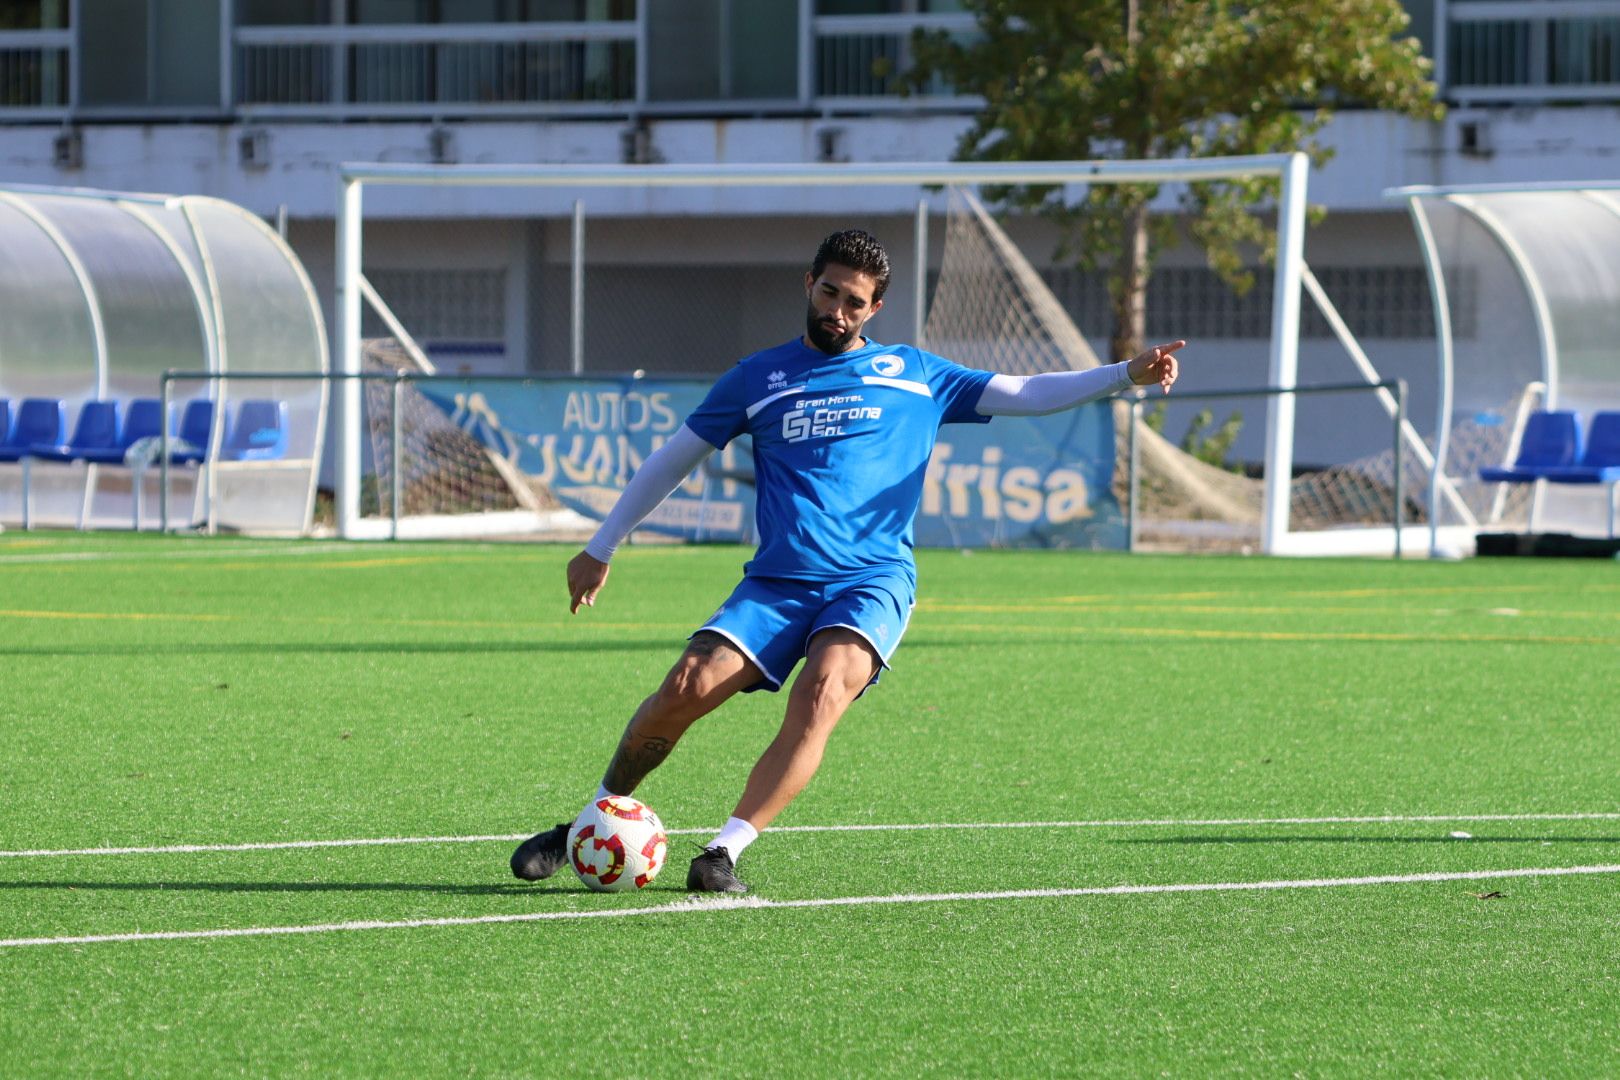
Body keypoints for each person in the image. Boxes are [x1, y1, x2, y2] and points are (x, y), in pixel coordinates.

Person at [513, 228, 1183, 893]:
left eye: (855, 302)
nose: (839, 309)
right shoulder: (757, 376)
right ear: (809, 284)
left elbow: (1027, 392)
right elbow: (673, 459)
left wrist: (1125, 374)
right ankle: (587, 826)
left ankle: (724, 851)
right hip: (778, 582)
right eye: (830, 291)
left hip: (872, 581)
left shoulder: (919, 376)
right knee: (685, 689)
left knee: (823, 690)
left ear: (874, 310)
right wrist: (601, 547)